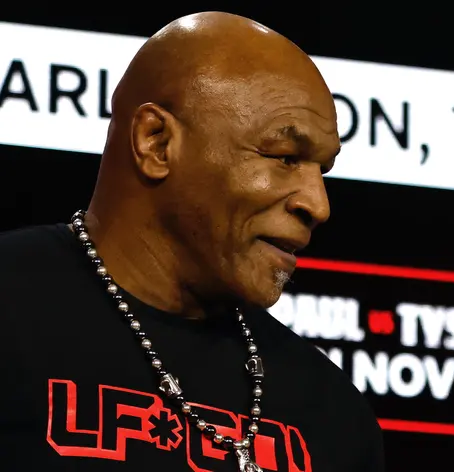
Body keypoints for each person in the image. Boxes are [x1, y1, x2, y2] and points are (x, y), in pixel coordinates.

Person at [0, 12, 384, 472]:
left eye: (322, 171)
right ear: (156, 143)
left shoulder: (332, 414)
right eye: (285, 157)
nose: (317, 205)